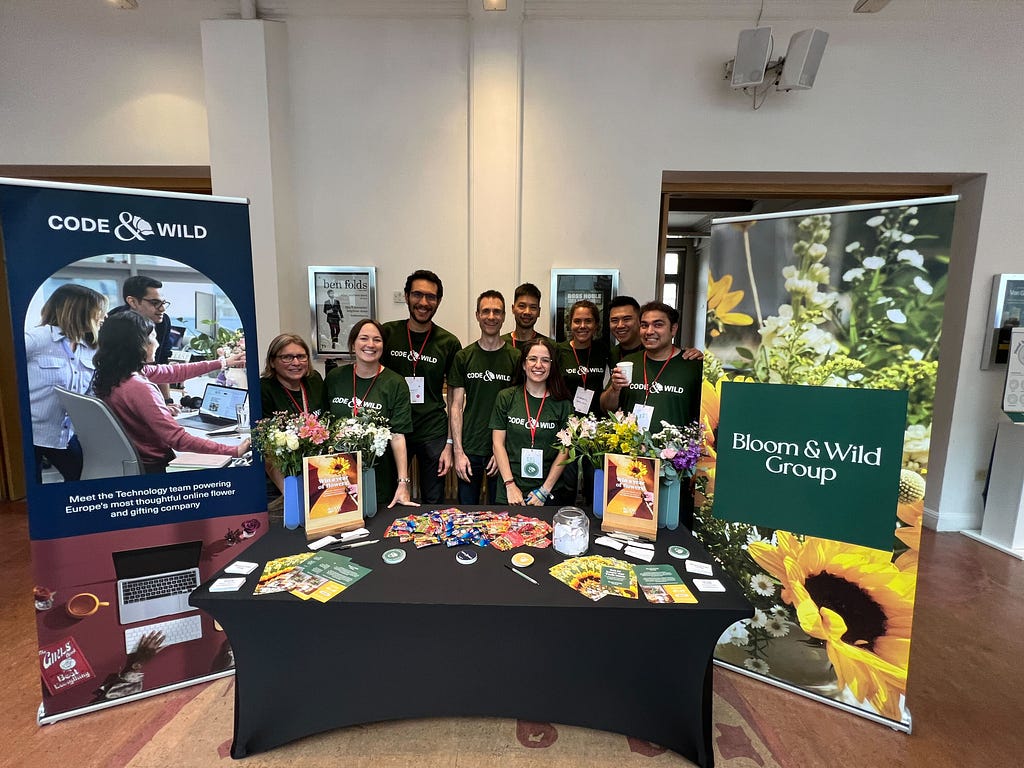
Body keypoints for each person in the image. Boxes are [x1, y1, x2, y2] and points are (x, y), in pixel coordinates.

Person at [92, 311, 250, 473]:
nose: (157, 344)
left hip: (133, 462)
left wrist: (222, 363)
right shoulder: (138, 387)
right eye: (153, 338)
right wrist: (233, 450)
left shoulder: (114, 374)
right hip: (157, 466)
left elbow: (173, 372)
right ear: (137, 344)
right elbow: (178, 440)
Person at [600, 301, 703, 528]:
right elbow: (606, 406)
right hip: (630, 467)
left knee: (670, 528)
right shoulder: (629, 363)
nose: (649, 331)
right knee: (630, 529)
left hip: (674, 469)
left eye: (658, 325)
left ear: (673, 329)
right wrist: (615, 389)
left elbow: (703, 417)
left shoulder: (692, 366)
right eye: (644, 325)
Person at [380, 270, 461, 504]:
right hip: (393, 429)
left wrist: (449, 443)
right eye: (417, 294)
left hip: (432, 430)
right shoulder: (387, 333)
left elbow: (455, 397)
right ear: (406, 296)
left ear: (438, 301)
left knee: (433, 500)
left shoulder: (448, 342)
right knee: (389, 497)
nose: (424, 302)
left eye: (431, 297)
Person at [324, 319, 418, 509]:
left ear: (383, 346)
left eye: (377, 340)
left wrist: (403, 483)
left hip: (379, 474)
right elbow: (324, 427)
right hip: (337, 473)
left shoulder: (395, 383)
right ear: (352, 343)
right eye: (364, 338)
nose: (370, 345)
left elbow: (398, 436)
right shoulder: (335, 378)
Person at [26, 284, 107, 482]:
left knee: (83, 481)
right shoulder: (35, 340)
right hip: (30, 435)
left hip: (65, 434)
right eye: (100, 313)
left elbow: (89, 394)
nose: (103, 318)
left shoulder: (91, 348)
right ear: (80, 312)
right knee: (29, 494)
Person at [449, 291, 521, 505]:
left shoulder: (516, 358)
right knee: (467, 513)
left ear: (504, 315)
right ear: (477, 315)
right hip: (469, 448)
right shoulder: (464, 356)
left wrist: (503, 452)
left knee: (500, 515)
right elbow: (455, 406)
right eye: (486, 311)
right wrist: (458, 451)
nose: (491, 316)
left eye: (497, 311)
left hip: (500, 450)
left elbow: (517, 408)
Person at [490, 337, 572, 506]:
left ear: (552, 365)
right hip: (510, 489)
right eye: (532, 359)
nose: (538, 365)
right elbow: (498, 444)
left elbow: (565, 449)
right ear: (523, 364)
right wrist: (510, 485)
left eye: (545, 360)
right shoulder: (506, 397)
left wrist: (544, 490)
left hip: (548, 492)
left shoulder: (563, 404)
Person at [556, 299, 608, 504]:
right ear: (570, 324)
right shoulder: (559, 350)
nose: (582, 326)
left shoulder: (604, 351)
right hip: (566, 427)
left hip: (594, 428)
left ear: (596, 324)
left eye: (588, 321)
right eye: (577, 321)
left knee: (593, 480)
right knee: (566, 481)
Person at [259, 333, 325, 495]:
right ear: (272, 362)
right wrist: (290, 494)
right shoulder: (264, 390)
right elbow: (267, 451)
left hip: (317, 472)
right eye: (287, 357)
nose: (296, 363)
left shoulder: (314, 380)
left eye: (301, 357)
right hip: (281, 481)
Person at [108, 275, 175, 405]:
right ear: (132, 302)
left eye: (163, 303)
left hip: (145, 386)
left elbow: (161, 362)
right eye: (155, 303)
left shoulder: (163, 321)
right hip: (120, 393)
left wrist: (167, 401)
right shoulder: (114, 323)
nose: (162, 309)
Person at [501, 282, 547, 349]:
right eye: (522, 306)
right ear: (513, 309)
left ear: (539, 312)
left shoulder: (548, 345)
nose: (527, 312)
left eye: (533, 307)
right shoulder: (500, 344)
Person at [607, 295, 643, 368]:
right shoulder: (610, 355)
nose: (620, 325)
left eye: (626, 319)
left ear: (640, 320)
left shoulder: (652, 352)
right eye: (614, 320)